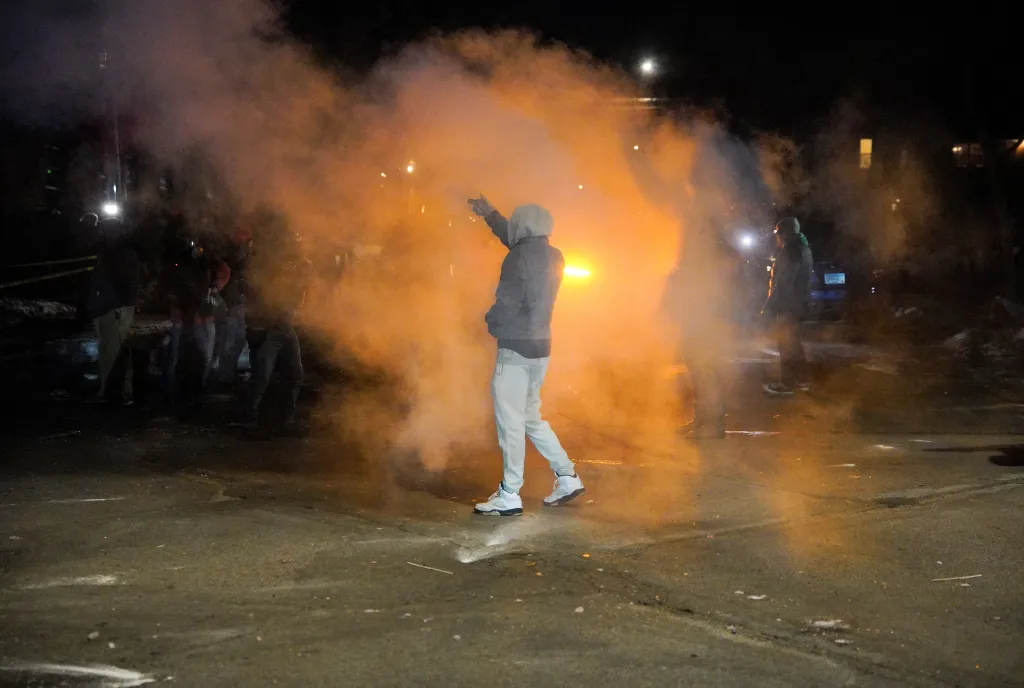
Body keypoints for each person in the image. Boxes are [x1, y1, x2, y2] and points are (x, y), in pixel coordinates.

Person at [468, 196, 584, 516]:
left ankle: (509, 493)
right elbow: (520, 244)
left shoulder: (517, 258)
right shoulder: (554, 255)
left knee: (511, 422)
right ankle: (567, 476)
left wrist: (489, 323)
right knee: (531, 416)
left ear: (523, 227)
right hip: (541, 347)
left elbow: (507, 301)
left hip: (515, 347)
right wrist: (491, 215)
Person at [660, 221, 740, 439]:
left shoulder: (714, 260)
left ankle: (712, 425)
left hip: (706, 326)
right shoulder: (708, 258)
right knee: (699, 375)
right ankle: (703, 420)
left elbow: (710, 291)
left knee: (706, 375)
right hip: (697, 325)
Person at [239, 229, 308, 432]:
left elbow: (299, 287)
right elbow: (253, 292)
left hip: (283, 326)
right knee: (261, 377)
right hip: (268, 328)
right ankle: (250, 419)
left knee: (294, 375)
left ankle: (284, 418)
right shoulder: (261, 263)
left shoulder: (291, 264)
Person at [84, 221, 139, 405]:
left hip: (116, 308)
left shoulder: (122, 253)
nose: (103, 234)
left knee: (117, 352)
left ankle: (122, 393)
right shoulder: (107, 252)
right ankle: (107, 391)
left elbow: (126, 282)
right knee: (106, 352)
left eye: (107, 231)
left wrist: (122, 304)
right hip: (104, 308)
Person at [762, 217, 813, 396]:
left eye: (778, 233)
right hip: (799, 303)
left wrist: (770, 305)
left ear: (784, 233)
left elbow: (784, 281)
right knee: (795, 342)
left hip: (788, 304)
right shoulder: (804, 248)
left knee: (786, 343)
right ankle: (802, 380)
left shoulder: (790, 250)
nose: (777, 237)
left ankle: (787, 383)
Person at [214, 226, 252, 384]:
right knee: (227, 341)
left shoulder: (242, 252)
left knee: (240, 339)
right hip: (229, 303)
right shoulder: (230, 251)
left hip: (238, 302)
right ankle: (225, 376)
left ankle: (229, 372)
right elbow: (235, 266)